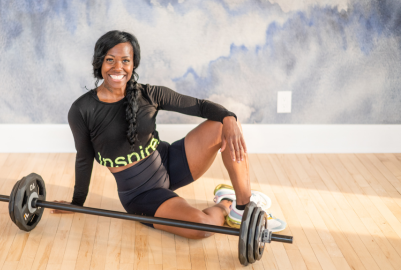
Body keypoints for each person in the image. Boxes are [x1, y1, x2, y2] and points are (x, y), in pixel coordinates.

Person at [51, 30, 286, 239]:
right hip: (141, 194)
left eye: (125, 60)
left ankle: (244, 208)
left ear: (133, 65)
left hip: (170, 164)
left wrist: (230, 118)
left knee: (223, 125)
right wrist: (76, 203)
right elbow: (83, 158)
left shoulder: (149, 94)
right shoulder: (82, 110)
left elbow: (201, 106)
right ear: (99, 62)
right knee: (202, 228)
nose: (118, 68)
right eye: (110, 60)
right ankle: (226, 204)